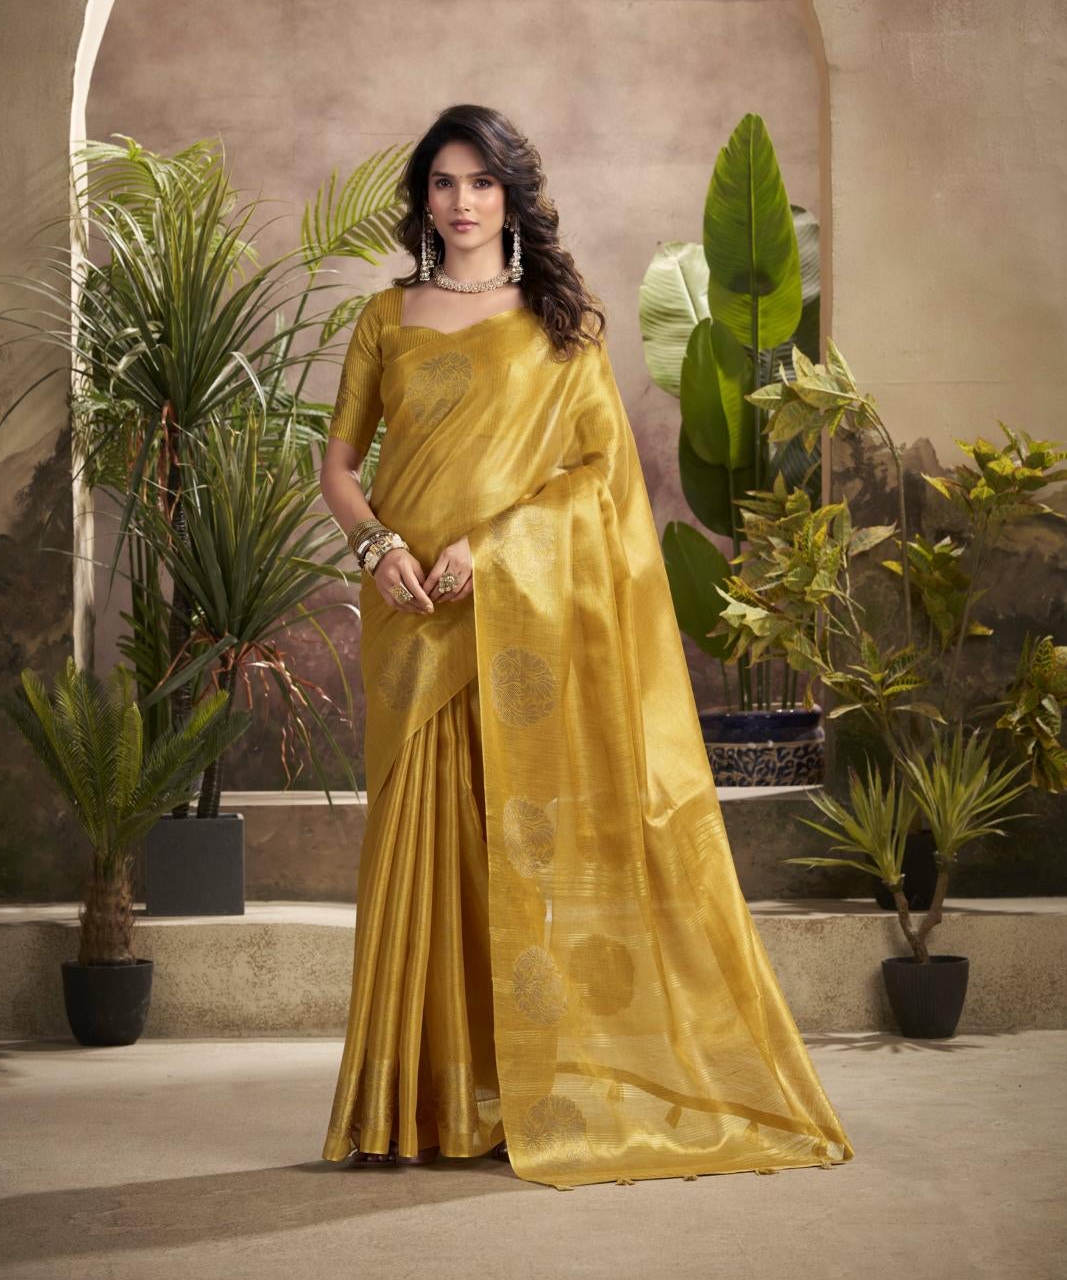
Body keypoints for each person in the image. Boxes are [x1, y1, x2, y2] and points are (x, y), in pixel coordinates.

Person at [318, 104, 854, 1190]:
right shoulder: (384, 318)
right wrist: (377, 546)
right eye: (443, 183)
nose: (461, 202)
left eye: (480, 182)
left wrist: (492, 546)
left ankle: (507, 1095)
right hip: (411, 618)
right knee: (417, 850)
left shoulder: (562, 326)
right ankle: (407, 1104)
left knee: (506, 850)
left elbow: (599, 481)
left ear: (512, 196)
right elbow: (338, 465)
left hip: (511, 615)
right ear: (423, 199)